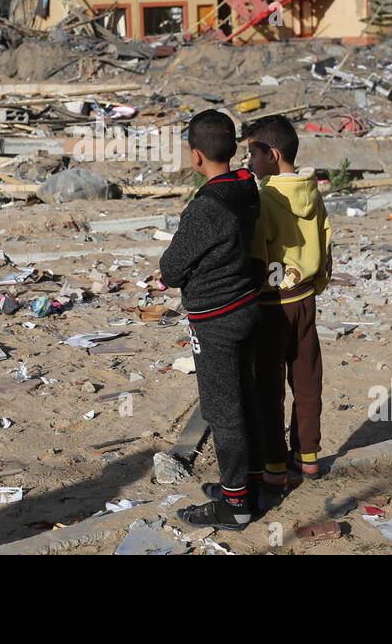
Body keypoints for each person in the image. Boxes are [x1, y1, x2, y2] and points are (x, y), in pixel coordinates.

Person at [159, 109, 265, 530]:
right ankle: (248, 482)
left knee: (223, 411)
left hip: (216, 318)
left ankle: (236, 505)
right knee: (245, 399)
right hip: (246, 303)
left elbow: (169, 269)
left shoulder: (206, 206)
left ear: (196, 156)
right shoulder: (245, 185)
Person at [245, 115, 332, 491]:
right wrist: (316, 285)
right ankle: (308, 458)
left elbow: (256, 254)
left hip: (271, 304)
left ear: (272, 155)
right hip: (305, 300)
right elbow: (327, 248)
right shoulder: (313, 192)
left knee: (268, 387)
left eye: (252, 154)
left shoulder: (265, 198)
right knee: (307, 380)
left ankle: (275, 465)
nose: (248, 162)